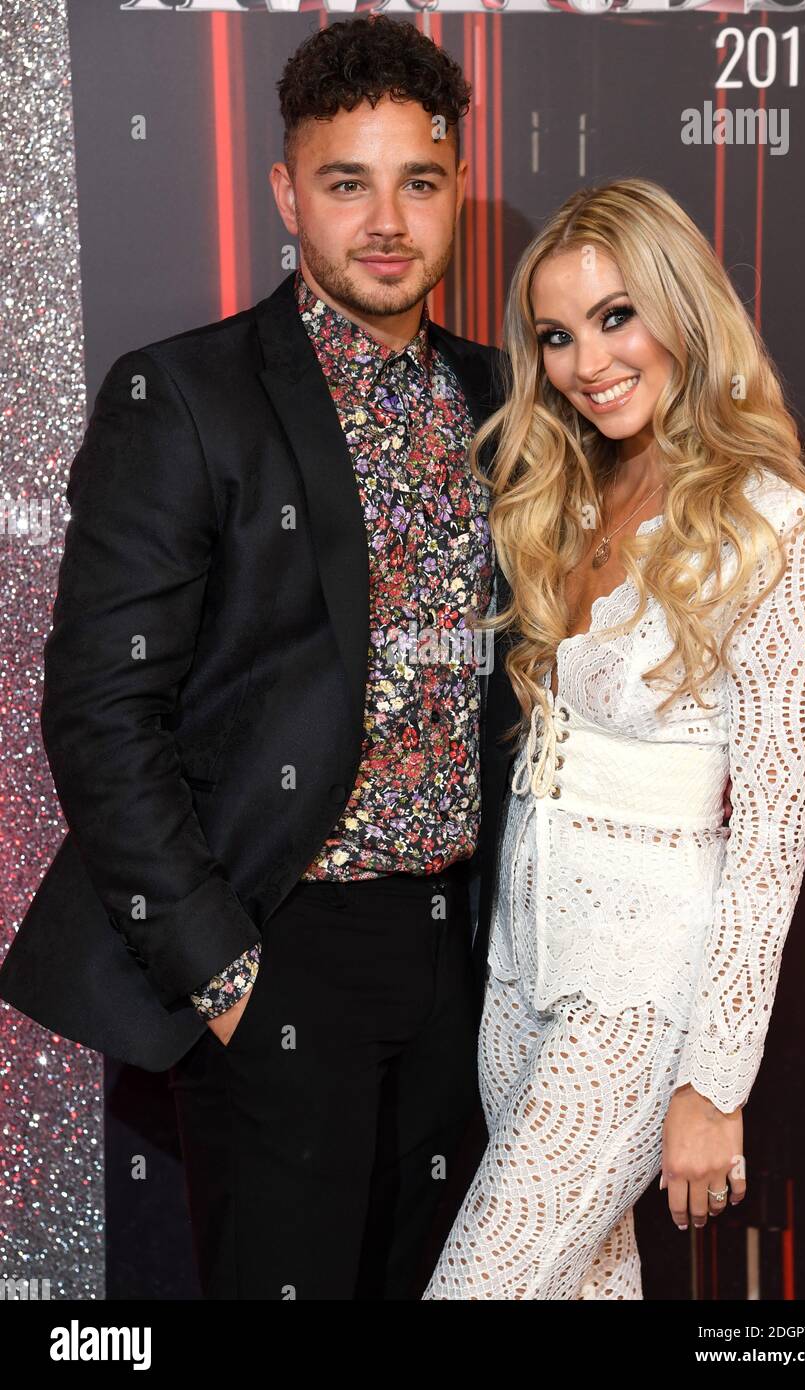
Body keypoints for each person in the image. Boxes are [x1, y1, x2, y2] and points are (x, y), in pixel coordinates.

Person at [0, 16, 507, 1299]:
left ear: (458, 188)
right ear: (288, 194)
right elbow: (102, 712)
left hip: (467, 955)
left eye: (420, 181)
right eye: (349, 182)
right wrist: (222, 973)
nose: (386, 220)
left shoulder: (506, 405)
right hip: (283, 941)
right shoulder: (182, 397)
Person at [423, 177, 805, 1300]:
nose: (586, 361)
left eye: (616, 316)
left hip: (640, 992)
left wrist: (715, 1080)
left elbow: (769, 826)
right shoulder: (569, 490)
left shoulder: (772, 522)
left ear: (680, 308)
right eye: (556, 335)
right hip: (518, 974)